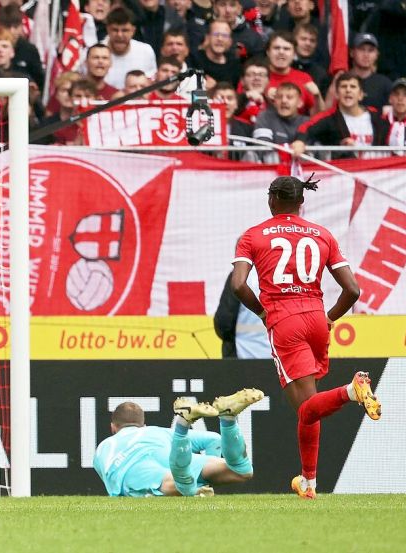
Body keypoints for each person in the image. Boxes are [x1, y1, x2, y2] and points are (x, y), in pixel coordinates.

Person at [230, 174, 381, 499]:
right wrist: (329, 318)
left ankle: (350, 392)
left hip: (284, 320)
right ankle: (309, 483)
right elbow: (353, 290)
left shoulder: (252, 235)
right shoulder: (322, 234)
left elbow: (239, 284)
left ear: (271, 200)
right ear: (301, 202)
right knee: (310, 407)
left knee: (307, 408)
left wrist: (262, 313)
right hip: (316, 317)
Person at [93, 389, 264, 497]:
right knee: (241, 471)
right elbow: (214, 439)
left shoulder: (105, 446)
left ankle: (182, 424)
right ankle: (228, 419)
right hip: (171, 455)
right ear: (143, 424)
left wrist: (194, 483)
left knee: (179, 485)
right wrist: (204, 476)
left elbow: (112, 482)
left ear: (113, 428)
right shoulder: (155, 431)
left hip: (134, 466)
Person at [292, 72, 389, 160]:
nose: (348, 90)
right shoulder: (329, 117)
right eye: (343, 86)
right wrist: (300, 141)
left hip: (376, 173)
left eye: (353, 86)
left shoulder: (377, 116)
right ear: (337, 94)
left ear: (360, 95)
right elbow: (305, 128)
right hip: (343, 174)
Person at [102, 7, 156, 90]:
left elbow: (151, 84)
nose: (119, 35)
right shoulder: (95, 52)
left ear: (133, 31)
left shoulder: (145, 51)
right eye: (115, 30)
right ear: (108, 29)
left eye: (125, 30)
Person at [253, 81, 308, 162]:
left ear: (300, 103)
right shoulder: (265, 117)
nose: (284, 101)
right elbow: (262, 148)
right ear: (274, 101)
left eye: (289, 97)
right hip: (270, 168)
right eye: (279, 97)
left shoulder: (307, 122)